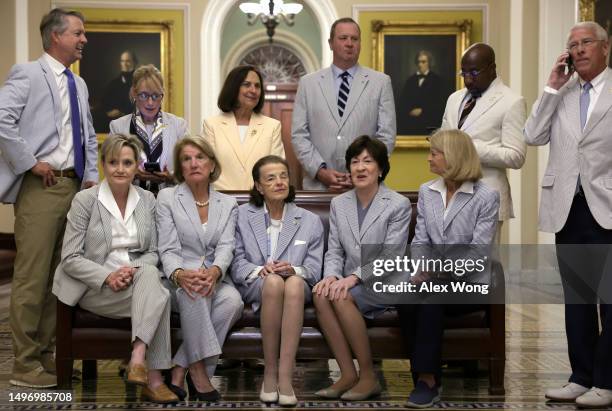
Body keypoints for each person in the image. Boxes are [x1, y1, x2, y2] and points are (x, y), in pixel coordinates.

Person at [0, 8, 99, 388]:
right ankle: (24, 365)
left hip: (74, 189)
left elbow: (88, 135)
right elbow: (3, 121)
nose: (84, 40)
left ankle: (45, 358)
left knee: (59, 279)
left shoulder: (80, 84)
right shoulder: (27, 73)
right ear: (56, 36)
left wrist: (91, 178)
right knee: (32, 278)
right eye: (78, 33)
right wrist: (31, 163)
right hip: (41, 187)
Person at [524, 21, 612, 408]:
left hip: (607, 208)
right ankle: (581, 377)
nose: (577, 50)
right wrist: (550, 88)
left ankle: (607, 382)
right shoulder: (561, 92)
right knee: (577, 298)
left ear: (605, 47)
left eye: (585, 43)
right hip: (568, 209)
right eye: (571, 45)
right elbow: (532, 135)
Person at [52, 134, 177, 403]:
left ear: (136, 167)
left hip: (134, 283)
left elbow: (153, 251)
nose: (120, 169)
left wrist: (130, 270)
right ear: (103, 165)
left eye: (127, 162)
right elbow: (70, 257)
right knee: (161, 295)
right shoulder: (85, 201)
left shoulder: (147, 200)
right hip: (93, 288)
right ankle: (153, 379)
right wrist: (107, 276)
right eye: (113, 162)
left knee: (151, 279)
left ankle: (137, 358)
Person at [399, 129, 499, 408]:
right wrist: (420, 267)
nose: (428, 158)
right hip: (432, 279)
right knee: (406, 297)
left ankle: (427, 380)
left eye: (434, 153)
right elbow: (420, 240)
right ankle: (421, 374)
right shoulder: (427, 192)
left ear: (453, 157)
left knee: (433, 296)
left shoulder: (486, 196)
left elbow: (478, 252)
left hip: (469, 284)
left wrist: (437, 269)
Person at [312, 136, 411, 400]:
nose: (360, 167)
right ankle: (347, 374)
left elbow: (392, 256)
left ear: (380, 169)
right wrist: (331, 275)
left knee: (342, 294)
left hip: (386, 281)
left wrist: (354, 277)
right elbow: (334, 250)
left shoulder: (398, 205)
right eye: (355, 162)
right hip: (350, 281)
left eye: (368, 161)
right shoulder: (339, 203)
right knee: (321, 293)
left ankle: (368, 376)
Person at [231, 155, 324, 406]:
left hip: (296, 286)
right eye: (271, 178)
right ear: (259, 186)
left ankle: (285, 376)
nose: (279, 182)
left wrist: (293, 269)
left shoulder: (309, 220)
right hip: (257, 283)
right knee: (272, 282)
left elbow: (315, 269)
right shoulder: (241, 215)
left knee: (291, 283)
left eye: (283, 176)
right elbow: (236, 261)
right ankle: (270, 372)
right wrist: (261, 270)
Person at [156, 135, 244, 402]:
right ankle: (198, 372)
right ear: (180, 167)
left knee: (233, 302)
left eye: (200, 157)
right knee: (194, 292)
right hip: (176, 279)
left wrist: (216, 271)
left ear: (211, 164)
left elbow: (227, 246)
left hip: (214, 278)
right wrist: (181, 274)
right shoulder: (168, 197)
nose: (194, 163)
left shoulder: (227, 204)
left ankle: (180, 365)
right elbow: (168, 248)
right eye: (186, 158)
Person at [291, 17, 396, 191]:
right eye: (343, 38)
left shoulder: (381, 82)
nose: (349, 43)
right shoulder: (308, 83)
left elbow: (386, 135)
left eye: (354, 39)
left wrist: (362, 171)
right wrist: (320, 171)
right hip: (318, 187)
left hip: (365, 187)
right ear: (331, 43)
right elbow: (299, 135)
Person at [441, 43, 526, 233]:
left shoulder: (512, 101)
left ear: (492, 69)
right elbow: (447, 137)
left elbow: (516, 156)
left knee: (483, 263)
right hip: (451, 195)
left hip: (486, 198)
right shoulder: (454, 99)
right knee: (452, 262)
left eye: (474, 72)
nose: (468, 80)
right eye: (463, 73)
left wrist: (470, 148)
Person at [203, 65, 283, 191]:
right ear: (233, 88)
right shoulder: (212, 125)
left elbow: (277, 169)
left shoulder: (272, 126)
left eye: (257, 86)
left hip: (259, 202)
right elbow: (207, 169)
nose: (253, 90)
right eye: (247, 84)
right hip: (222, 202)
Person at [110, 64, 187, 194]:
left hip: (169, 200)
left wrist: (171, 176)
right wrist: (132, 172)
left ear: (162, 94)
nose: (150, 102)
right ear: (134, 93)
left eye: (156, 96)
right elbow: (111, 166)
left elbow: (189, 166)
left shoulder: (178, 125)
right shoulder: (118, 126)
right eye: (144, 95)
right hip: (130, 199)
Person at [397, 50, 447, 135]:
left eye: (423, 62)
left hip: (429, 123)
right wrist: (409, 111)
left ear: (429, 63)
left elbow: (440, 103)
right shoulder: (410, 80)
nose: (420, 65)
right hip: (411, 124)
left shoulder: (437, 80)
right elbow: (403, 102)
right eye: (418, 62)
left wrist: (423, 111)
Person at [104, 50, 137, 123]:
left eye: (128, 61)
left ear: (134, 63)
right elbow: (105, 104)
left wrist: (122, 113)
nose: (125, 64)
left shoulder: (140, 82)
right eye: (122, 61)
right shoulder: (113, 83)